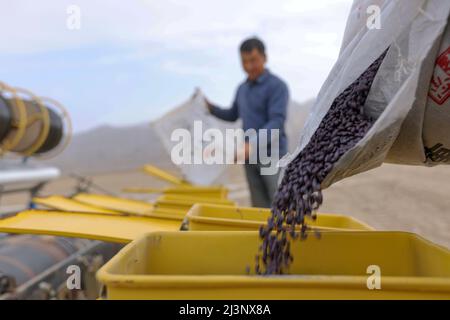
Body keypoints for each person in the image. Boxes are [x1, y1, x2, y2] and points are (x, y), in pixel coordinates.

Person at [205, 37, 289, 208]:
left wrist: (252, 144)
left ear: (264, 58)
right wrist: (212, 108)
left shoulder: (277, 86)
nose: (249, 66)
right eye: (244, 62)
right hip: (249, 157)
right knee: (258, 206)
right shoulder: (241, 89)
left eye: (253, 60)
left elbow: (276, 122)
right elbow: (233, 114)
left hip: (272, 156)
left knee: (279, 205)